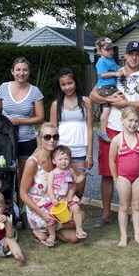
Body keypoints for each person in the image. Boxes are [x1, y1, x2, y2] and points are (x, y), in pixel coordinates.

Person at [89, 41, 139, 229]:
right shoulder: (115, 74)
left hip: (133, 129)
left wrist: (126, 104)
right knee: (107, 173)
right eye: (131, 53)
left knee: (135, 173)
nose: (134, 57)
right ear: (124, 55)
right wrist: (110, 99)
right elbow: (93, 95)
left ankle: (135, 212)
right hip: (111, 128)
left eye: (138, 54)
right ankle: (106, 213)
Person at [20, 123, 83, 246]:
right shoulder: (33, 163)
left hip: (57, 204)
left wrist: (70, 193)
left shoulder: (59, 159)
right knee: (76, 218)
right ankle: (40, 229)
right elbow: (23, 193)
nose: (52, 140)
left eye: (55, 137)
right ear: (39, 139)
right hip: (40, 208)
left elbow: (72, 182)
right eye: (47, 137)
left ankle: (48, 233)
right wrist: (42, 213)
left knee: (77, 230)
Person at [0, 57, 44, 200]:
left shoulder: (35, 91)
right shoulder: (3, 87)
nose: (21, 73)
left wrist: (21, 121)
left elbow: (40, 117)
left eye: (25, 70)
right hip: (6, 139)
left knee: (24, 175)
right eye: (18, 70)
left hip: (26, 140)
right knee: (4, 172)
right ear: (12, 72)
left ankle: (21, 209)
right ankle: (4, 205)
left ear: (29, 72)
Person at [50, 68, 93, 198]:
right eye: (63, 84)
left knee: (79, 190)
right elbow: (52, 131)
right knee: (61, 189)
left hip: (80, 152)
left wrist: (89, 154)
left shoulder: (86, 102)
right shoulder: (56, 104)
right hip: (61, 152)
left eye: (70, 83)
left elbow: (90, 128)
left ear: (75, 82)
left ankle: (75, 216)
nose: (67, 87)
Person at [109, 106, 139, 247]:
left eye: (136, 121)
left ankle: (137, 235)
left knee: (137, 205)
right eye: (130, 120)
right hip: (123, 177)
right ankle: (123, 236)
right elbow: (111, 160)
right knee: (124, 206)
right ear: (122, 120)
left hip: (138, 176)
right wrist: (115, 178)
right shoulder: (117, 140)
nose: (133, 124)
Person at [46, 145, 88, 241]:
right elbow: (50, 188)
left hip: (68, 197)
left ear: (69, 160)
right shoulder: (52, 174)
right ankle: (52, 235)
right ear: (54, 161)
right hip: (57, 198)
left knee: (76, 208)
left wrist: (84, 175)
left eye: (66, 159)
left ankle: (79, 229)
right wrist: (53, 199)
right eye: (60, 159)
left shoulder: (71, 171)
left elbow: (77, 180)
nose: (63, 161)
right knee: (52, 215)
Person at [94, 37, 124, 142]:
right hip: (105, 87)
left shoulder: (110, 60)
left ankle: (106, 130)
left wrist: (121, 70)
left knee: (109, 109)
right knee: (117, 104)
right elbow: (102, 74)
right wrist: (115, 74)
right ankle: (103, 130)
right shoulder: (101, 62)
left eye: (111, 49)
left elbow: (118, 67)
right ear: (99, 51)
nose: (110, 51)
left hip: (111, 87)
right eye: (107, 49)